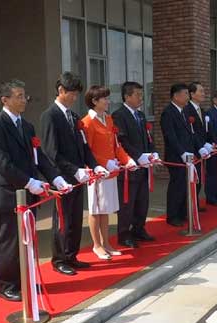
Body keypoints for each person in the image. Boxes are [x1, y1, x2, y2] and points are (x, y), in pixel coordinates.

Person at [0, 79, 71, 301]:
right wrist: (29, 182)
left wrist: (56, 178)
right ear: (5, 100)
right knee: (9, 241)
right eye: (19, 96)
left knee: (27, 240)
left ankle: (25, 281)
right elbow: (2, 163)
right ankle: (6, 285)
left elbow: (39, 157)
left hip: (27, 194)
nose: (24, 100)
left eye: (25, 96)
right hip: (8, 193)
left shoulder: (27, 125)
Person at [40, 72, 108, 276]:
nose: (75, 98)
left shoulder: (74, 116)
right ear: (61, 90)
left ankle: (71, 255)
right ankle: (59, 258)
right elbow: (51, 153)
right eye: (72, 93)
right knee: (63, 220)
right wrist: (74, 170)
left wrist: (94, 165)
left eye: (77, 94)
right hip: (63, 178)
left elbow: (84, 146)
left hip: (80, 177)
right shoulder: (50, 116)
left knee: (76, 218)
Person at [81, 86, 137, 260]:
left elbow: (116, 145)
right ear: (94, 101)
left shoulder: (109, 119)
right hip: (97, 173)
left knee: (105, 210)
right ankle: (97, 245)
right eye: (104, 98)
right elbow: (87, 150)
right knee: (95, 210)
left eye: (107, 97)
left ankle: (106, 242)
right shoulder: (87, 122)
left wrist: (127, 159)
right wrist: (104, 163)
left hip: (111, 172)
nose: (108, 101)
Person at [112, 82, 159, 248]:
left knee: (142, 201)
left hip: (143, 167)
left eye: (141, 94)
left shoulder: (140, 115)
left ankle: (139, 229)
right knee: (127, 204)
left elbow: (148, 138)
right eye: (137, 94)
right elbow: (122, 141)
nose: (141, 98)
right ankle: (124, 234)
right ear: (127, 96)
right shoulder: (119, 115)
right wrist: (138, 156)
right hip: (129, 168)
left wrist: (152, 152)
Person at [160, 83, 210, 227]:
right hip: (176, 156)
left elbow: (192, 133)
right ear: (176, 96)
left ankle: (182, 213)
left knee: (186, 186)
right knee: (177, 185)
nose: (188, 97)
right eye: (185, 94)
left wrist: (199, 148)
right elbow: (171, 136)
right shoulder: (168, 113)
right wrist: (182, 152)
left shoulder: (184, 112)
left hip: (189, 156)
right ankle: (172, 215)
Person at [184, 82, 212, 210]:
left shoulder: (201, 109)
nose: (203, 93)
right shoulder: (187, 109)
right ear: (192, 94)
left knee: (199, 178)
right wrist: (200, 146)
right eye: (200, 91)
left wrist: (207, 143)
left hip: (201, 150)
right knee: (192, 180)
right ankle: (189, 207)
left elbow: (203, 131)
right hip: (192, 150)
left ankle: (195, 203)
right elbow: (191, 132)